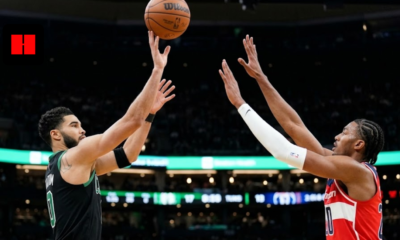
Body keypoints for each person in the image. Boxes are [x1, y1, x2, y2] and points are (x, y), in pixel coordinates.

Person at [218, 35, 385, 240]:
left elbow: (283, 151)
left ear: (359, 144)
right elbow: (293, 126)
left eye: (344, 133)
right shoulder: (339, 166)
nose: (337, 136)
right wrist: (261, 78)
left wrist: (240, 104)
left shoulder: (358, 172)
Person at [39, 31, 175, 240]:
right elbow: (131, 121)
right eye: (74, 126)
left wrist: (149, 115)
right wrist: (157, 70)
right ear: (55, 134)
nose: (82, 130)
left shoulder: (71, 165)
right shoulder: (74, 157)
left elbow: (129, 154)